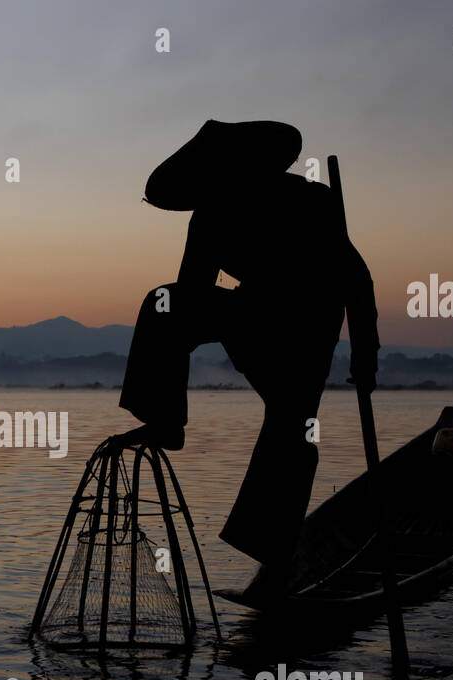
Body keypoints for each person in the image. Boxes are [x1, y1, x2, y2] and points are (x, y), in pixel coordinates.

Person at [117, 120, 380, 594]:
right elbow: (192, 290)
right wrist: (200, 326)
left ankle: (275, 559)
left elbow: (356, 283)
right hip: (253, 313)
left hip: (309, 323)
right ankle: (166, 421)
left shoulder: (312, 202)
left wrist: (366, 356)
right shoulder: (211, 212)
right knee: (165, 303)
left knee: (290, 426)